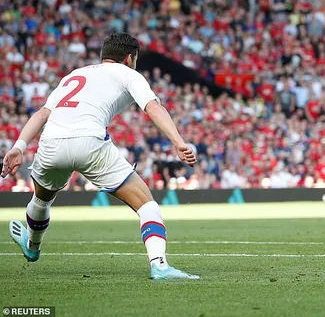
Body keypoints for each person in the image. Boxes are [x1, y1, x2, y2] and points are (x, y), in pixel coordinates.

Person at [1, 33, 200, 280]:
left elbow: (43, 113)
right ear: (129, 58)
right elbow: (153, 108)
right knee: (146, 204)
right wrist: (178, 142)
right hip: (90, 142)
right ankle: (159, 265)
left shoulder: (73, 75)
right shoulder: (129, 74)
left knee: (41, 200)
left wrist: (19, 146)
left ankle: (32, 247)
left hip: (51, 143)